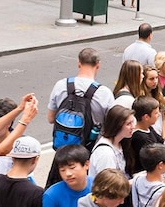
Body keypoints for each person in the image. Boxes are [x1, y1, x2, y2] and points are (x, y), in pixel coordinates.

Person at [46, 48, 115, 187]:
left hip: (62, 152)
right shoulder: (104, 93)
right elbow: (111, 126)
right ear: (98, 65)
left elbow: (50, 118)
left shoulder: (61, 85)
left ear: (78, 63)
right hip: (87, 152)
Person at [89, 105, 136, 178]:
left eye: (132, 122)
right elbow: (109, 185)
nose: (133, 127)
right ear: (117, 126)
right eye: (128, 124)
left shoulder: (121, 143)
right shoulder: (105, 153)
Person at [130, 96, 164, 174]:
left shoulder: (149, 128)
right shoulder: (140, 138)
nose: (158, 115)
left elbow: (161, 141)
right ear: (146, 117)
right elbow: (155, 156)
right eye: (156, 113)